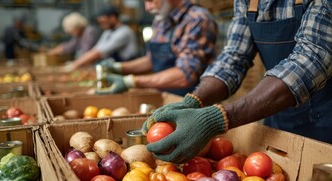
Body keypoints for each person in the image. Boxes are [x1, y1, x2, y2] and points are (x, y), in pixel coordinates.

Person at [142, 0, 332, 164]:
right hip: (276, 113)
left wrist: (219, 117)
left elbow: (312, 58)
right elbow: (234, 56)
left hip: (325, 120)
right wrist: (193, 100)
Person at [96, 0, 218, 96]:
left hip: (193, 103)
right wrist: (119, 67)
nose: (147, 8)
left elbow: (185, 75)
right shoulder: (161, 19)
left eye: (150, 0)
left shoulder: (197, 19)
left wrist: (131, 81)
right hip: (164, 95)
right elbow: (151, 59)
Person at [63, 6, 139, 71]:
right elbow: (96, 49)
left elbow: (98, 53)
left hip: (128, 68)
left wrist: (74, 65)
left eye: (103, 22)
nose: (101, 25)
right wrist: (76, 63)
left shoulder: (124, 32)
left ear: (112, 18)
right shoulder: (107, 32)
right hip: (117, 68)